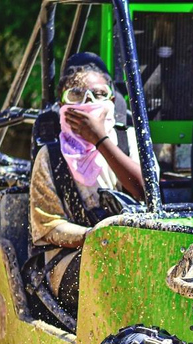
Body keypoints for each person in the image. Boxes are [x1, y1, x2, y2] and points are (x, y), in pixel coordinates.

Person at [29, 57, 144, 316]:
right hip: (68, 258)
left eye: (99, 94)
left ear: (111, 102)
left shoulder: (127, 141)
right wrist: (97, 238)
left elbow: (146, 192)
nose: (88, 102)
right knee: (110, 266)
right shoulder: (51, 155)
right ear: (62, 104)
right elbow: (48, 225)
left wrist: (100, 139)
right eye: (77, 95)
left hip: (132, 248)